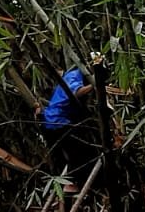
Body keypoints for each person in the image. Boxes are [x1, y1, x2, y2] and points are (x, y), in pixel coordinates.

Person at [40, 59, 101, 193]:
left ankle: (67, 185)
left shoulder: (72, 76)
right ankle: (72, 183)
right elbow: (76, 92)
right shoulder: (74, 75)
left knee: (64, 154)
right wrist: (95, 84)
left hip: (51, 120)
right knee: (78, 152)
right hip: (58, 121)